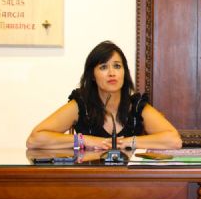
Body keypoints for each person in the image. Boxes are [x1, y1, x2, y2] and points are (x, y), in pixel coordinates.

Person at [26, 41, 182, 150]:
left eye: (117, 66)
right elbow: (35, 139)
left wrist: (128, 142)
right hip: (88, 183)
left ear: (124, 72)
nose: (112, 73)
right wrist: (85, 140)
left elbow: (174, 140)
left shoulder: (136, 107)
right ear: (93, 75)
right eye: (103, 67)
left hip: (131, 185)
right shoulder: (81, 105)